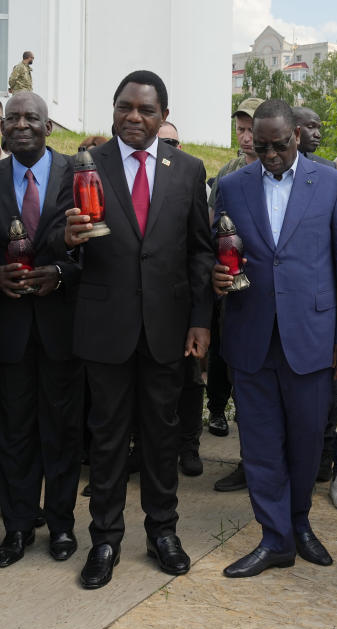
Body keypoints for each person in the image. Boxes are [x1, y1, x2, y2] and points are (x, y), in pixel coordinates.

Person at [57, 70, 215, 589]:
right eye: (125, 106)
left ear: (162, 117)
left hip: (167, 329)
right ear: (114, 108)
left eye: (146, 110)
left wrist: (199, 320)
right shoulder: (85, 165)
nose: (133, 117)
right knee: (105, 439)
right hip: (105, 327)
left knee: (161, 436)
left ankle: (162, 532)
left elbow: (199, 251)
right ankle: (104, 539)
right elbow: (61, 238)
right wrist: (68, 237)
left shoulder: (188, 170)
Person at [212, 99, 337, 577]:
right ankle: (275, 537)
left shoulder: (333, 184)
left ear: (297, 135)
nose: (271, 155)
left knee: (305, 442)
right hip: (250, 332)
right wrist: (214, 275)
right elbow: (213, 248)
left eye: (279, 145)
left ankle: (298, 522)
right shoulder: (232, 186)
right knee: (258, 443)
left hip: (313, 336)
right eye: (262, 146)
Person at [0, 91, 82, 567]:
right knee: (14, 432)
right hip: (10, 329)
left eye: (33, 117)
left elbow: (95, 245)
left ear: (50, 127)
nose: (23, 124)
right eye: (14, 118)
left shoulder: (79, 173)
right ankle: (16, 526)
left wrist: (62, 273)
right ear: (3, 127)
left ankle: (62, 525)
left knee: (62, 432)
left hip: (62, 327)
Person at [208, 96, 264, 493]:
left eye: (251, 129)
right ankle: (249, 461)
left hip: (279, 297)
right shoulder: (227, 174)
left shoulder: (293, 170)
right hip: (237, 296)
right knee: (241, 383)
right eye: (240, 129)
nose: (245, 137)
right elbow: (211, 230)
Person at [155, 121, 206, 478]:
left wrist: (199, 314)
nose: (166, 148)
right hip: (141, 303)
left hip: (182, 301)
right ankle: (147, 449)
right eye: (161, 143)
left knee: (188, 381)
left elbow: (200, 247)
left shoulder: (190, 177)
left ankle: (188, 445)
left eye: (171, 142)